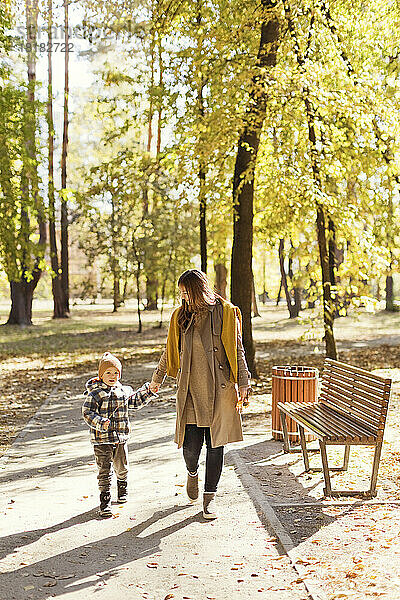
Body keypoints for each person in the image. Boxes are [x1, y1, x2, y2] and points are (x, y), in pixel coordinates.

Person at [149, 269, 250, 519]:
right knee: (191, 447)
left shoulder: (226, 313)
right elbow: (169, 351)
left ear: (199, 290)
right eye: (181, 293)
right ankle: (192, 472)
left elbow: (238, 349)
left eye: (187, 292)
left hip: (220, 389)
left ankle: (209, 498)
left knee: (216, 446)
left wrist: (245, 382)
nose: (183, 298)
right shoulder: (180, 316)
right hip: (190, 391)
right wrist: (156, 379)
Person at [82, 352, 157, 518]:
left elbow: (135, 401)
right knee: (104, 470)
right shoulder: (95, 394)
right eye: (108, 372)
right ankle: (105, 500)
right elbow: (87, 412)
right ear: (101, 375)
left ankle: (122, 486)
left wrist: (148, 391)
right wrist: (100, 422)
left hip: (120, 438)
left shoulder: (123, 391)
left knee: (121, 467)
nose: (112, 376)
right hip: (101, 440)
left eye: (116, 373)